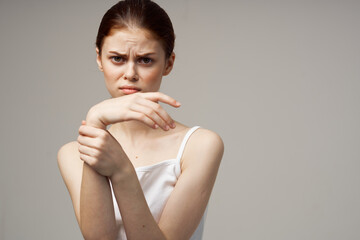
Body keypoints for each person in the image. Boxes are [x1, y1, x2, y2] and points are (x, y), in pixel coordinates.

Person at [57, 0, 224, 239]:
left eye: (145, 60)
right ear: (99, 58)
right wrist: (95, 119)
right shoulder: (73, 153)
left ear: (168, 63)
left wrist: (122, 171)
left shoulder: (200, 145)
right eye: (117, 58)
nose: (130, 74)